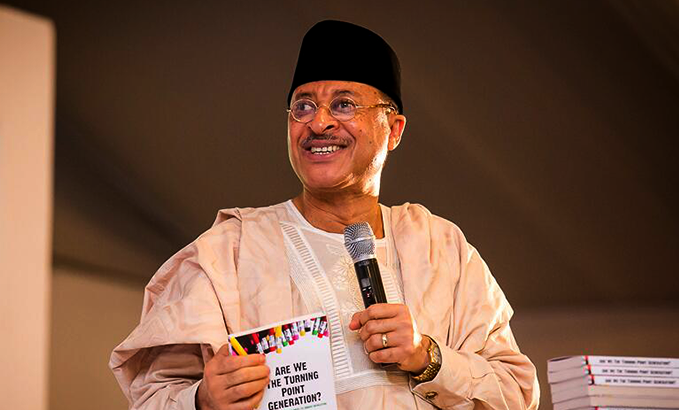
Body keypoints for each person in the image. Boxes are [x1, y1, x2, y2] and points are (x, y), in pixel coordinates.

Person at [110, 20, 540, 410]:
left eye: (344, 105)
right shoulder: (229, 252)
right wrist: (203, 400)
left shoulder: (441, 248)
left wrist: (427, 357)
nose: (318, 124)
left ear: (393, 130)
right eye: (303, 106)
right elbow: (151, 397)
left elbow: (517, 393)